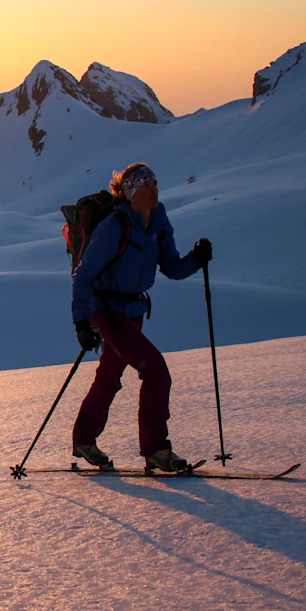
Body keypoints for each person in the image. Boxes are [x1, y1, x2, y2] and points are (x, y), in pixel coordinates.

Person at [70, 163, 212, 472]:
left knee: (109, 376)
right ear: (131, 193)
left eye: (155, 182)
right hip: (107, 311)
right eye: (145, 184)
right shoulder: (114, 227)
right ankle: (156, 449)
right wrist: (81, 322)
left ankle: (84, 439)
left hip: (133, 311)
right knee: (156, 370)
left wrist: (196, 260)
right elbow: (84, 276)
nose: (153, 189)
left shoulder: (158, 223)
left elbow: (172, 268)